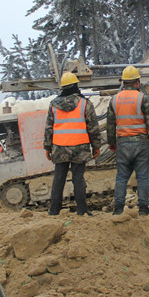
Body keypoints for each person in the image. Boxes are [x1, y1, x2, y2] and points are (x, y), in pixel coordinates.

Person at [106, 65, 149, 216]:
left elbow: (110, 125)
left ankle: (118, 208)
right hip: (141, 143)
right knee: (143, 176)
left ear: (123, 82)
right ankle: (143, 208)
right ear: (137, 82)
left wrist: (111, 143)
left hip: (123, 144)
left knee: (122, 177)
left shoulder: (114, 100)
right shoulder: (142, 98)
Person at [44, 72, 102, 216]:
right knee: (78, 179)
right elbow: (93, 128)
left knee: (59, 178)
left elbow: (48, 128)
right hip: (79, 147)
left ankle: (54, 211)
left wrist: (47, 147)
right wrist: (96, 146)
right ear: (76, 85)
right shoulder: (85, 104)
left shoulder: (53, 105)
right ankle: (82, 210)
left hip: (59, 147)